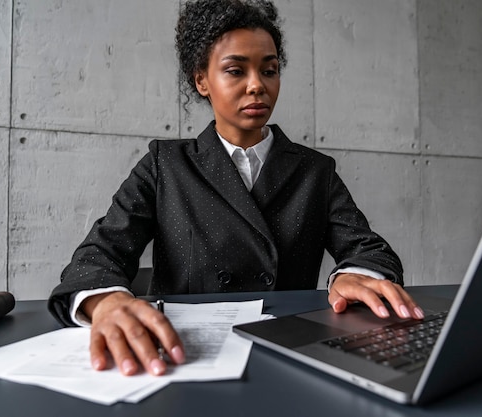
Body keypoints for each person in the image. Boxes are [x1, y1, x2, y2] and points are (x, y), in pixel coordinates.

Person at [48, 0, 424, 378]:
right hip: (186, 356)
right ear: (202, 80)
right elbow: (98, 254)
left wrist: (351, 276)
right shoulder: (165, 163)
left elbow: (370, 249)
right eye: (235, 70)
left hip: (287, 352)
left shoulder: (315, 170)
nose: (257, 84)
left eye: (270, 70)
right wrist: (106, 301)